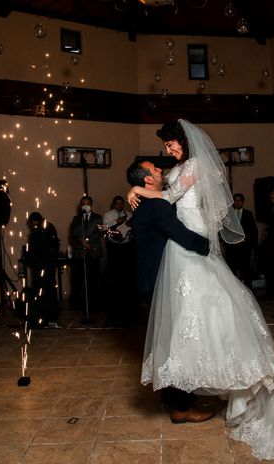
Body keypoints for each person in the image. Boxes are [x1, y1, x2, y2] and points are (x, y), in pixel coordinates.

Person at [127, 120, 274, 460]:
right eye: (166, 147)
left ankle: (220, 379)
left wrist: (138, 191)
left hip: (192, 236)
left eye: (172, 145)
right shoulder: (178, 166)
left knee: (209, 305)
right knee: (188, 312)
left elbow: (171, 195)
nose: (168, 151)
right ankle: (190, 378)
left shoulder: (198, 164)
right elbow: (161, 188)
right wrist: (140, 187)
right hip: (180, 242)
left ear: (186, 142)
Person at [127, 159, 213, 421]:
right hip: (157, 280)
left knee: (167, 340)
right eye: (154, 169)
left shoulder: (147, 201)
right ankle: (181, 408)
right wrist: (211, 249)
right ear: (147, 180)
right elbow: (182, 236)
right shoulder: (155, 206)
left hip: (151, 278)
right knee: (177, 341)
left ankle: (172, 396)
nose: (160, 170)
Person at [22, 212, 61, 325]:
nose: (34, 224)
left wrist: (48, 258)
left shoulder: (47, 227)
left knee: (49, 286)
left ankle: (51, 311)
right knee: (39, 287)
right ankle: (41, 310)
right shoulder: (36, 230)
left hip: (47, 263)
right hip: (39, 264)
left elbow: (53, 244)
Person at [103, 196, 136, 326]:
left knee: (127, 278)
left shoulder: (129, 214)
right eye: (117, 203)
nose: (119, 205)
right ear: (113, 204)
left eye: (121, 203)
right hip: (114, 249)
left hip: (127, 249)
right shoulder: (108, 215)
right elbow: (105, 229)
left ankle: (127, 306)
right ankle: (113, 307)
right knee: (114, 277)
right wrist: (118, 221)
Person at [69, 196, 103, 313]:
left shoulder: (97, 217)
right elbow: (73, 234)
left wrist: (87, 241)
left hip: (93, 251)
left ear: (91, 205)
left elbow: (99, 232)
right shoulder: (76, 218)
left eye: (87, 203)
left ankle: (93, 304)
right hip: (80, 252)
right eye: (83, 203)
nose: (85, 205)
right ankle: (77, 303)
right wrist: (81, 241)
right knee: (78, 279)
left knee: (93, 278)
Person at [223, 193, 258, 288]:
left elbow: (253, 231)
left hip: (245, 248)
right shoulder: (228, 215)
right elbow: (224, 230)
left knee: (246, 271)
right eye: (236, 200)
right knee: (232, 270)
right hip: (232, 248)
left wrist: (252, 246)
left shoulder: (248, 214)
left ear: (243, 202)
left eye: (240, 200)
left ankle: (249, 292)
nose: (237, 202)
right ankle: (233, 290)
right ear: (233, 202)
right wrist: (232, 240)